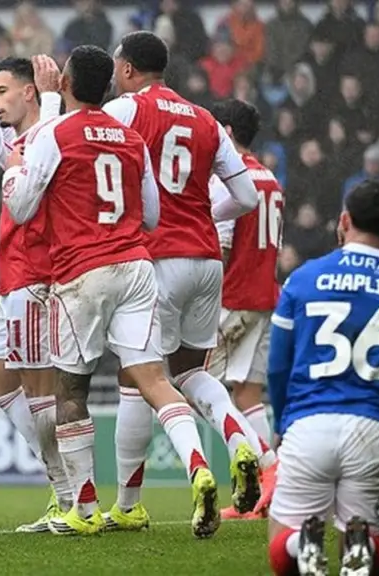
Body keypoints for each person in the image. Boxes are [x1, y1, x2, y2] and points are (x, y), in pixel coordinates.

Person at [1, 44, 221, 538]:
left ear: (64, 84)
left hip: (82, 272)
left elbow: (21, 207)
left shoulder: (55, 133)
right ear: (107, 86)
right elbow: (151, 217)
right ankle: (198, 465)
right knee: (153, 378)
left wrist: (15, 168)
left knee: (71, 389)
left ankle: (83, 509)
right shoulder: (130, 138)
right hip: (137, 267)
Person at [102, 29, 272, 531]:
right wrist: (201, 216)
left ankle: (134, 500)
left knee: (136, 378)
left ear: (128, 68)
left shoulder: (126, 110)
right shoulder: (205, 119)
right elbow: (246, 197)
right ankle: (242, 444)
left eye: (116, 67)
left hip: (157, 260)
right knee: (192, 372)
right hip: (207, 260)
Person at [266, 180, 379, 576]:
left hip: (308, 423)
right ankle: (360, 544)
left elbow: (277, 367)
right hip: (372, 429)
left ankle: (299, 542)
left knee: (282, 546)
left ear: (344, 221)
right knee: (372, 551)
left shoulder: (302, 280)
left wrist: (281, 425)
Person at [0, 52, 72, 532]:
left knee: (41, 392)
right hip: (13, 277)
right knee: (0, 382)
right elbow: (2, 150)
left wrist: (53, 100)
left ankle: (69, 494)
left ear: (29, 92)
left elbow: (36, 158)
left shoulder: (49, 136)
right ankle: (63, 482)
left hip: (35, 275)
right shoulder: (24, 141)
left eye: (1, 92)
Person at [205, 98, 284, 521]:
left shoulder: (228, 178)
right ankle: (259, 495)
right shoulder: (270, 177)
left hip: (231, 298)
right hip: (263, 296)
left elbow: (221, 245)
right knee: (247, 394)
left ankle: (269, 466)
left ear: (227, 132)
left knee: (199, 388)